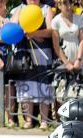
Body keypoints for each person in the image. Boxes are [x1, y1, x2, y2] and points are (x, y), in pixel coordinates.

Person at [10, 0, 54, 129]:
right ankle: (28, 120)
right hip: (25, 54)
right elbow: (13, 27)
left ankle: (44, 120)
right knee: (26, 85)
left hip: (43, 53)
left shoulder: (46, 9)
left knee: (44, 85)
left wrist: (34, 33)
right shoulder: (20, 9)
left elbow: (50, 31)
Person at [51, 0, 83, 106]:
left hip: (77, 58)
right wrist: (66, 63)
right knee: (62, 93)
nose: (68, 6)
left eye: (70, 3)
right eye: (65, 3)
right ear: (59, 5)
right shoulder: (56, 21)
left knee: (78, 91)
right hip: (63, 59)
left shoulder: (78, 18)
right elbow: (56, 45)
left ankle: (76, 114)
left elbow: (82, 40)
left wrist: (79, 60)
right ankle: (63, 115)